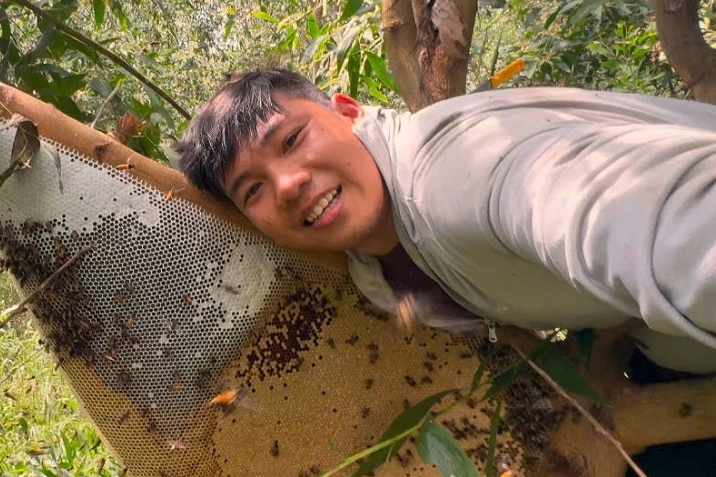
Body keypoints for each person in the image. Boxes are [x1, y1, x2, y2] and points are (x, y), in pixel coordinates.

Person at [176, 68, 716, 374]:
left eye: (292, 139)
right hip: (667, 360)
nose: (288, 184)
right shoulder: (366, 266)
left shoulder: (452, 170)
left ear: (348, 112)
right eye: (254, 191)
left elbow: (643, 216)